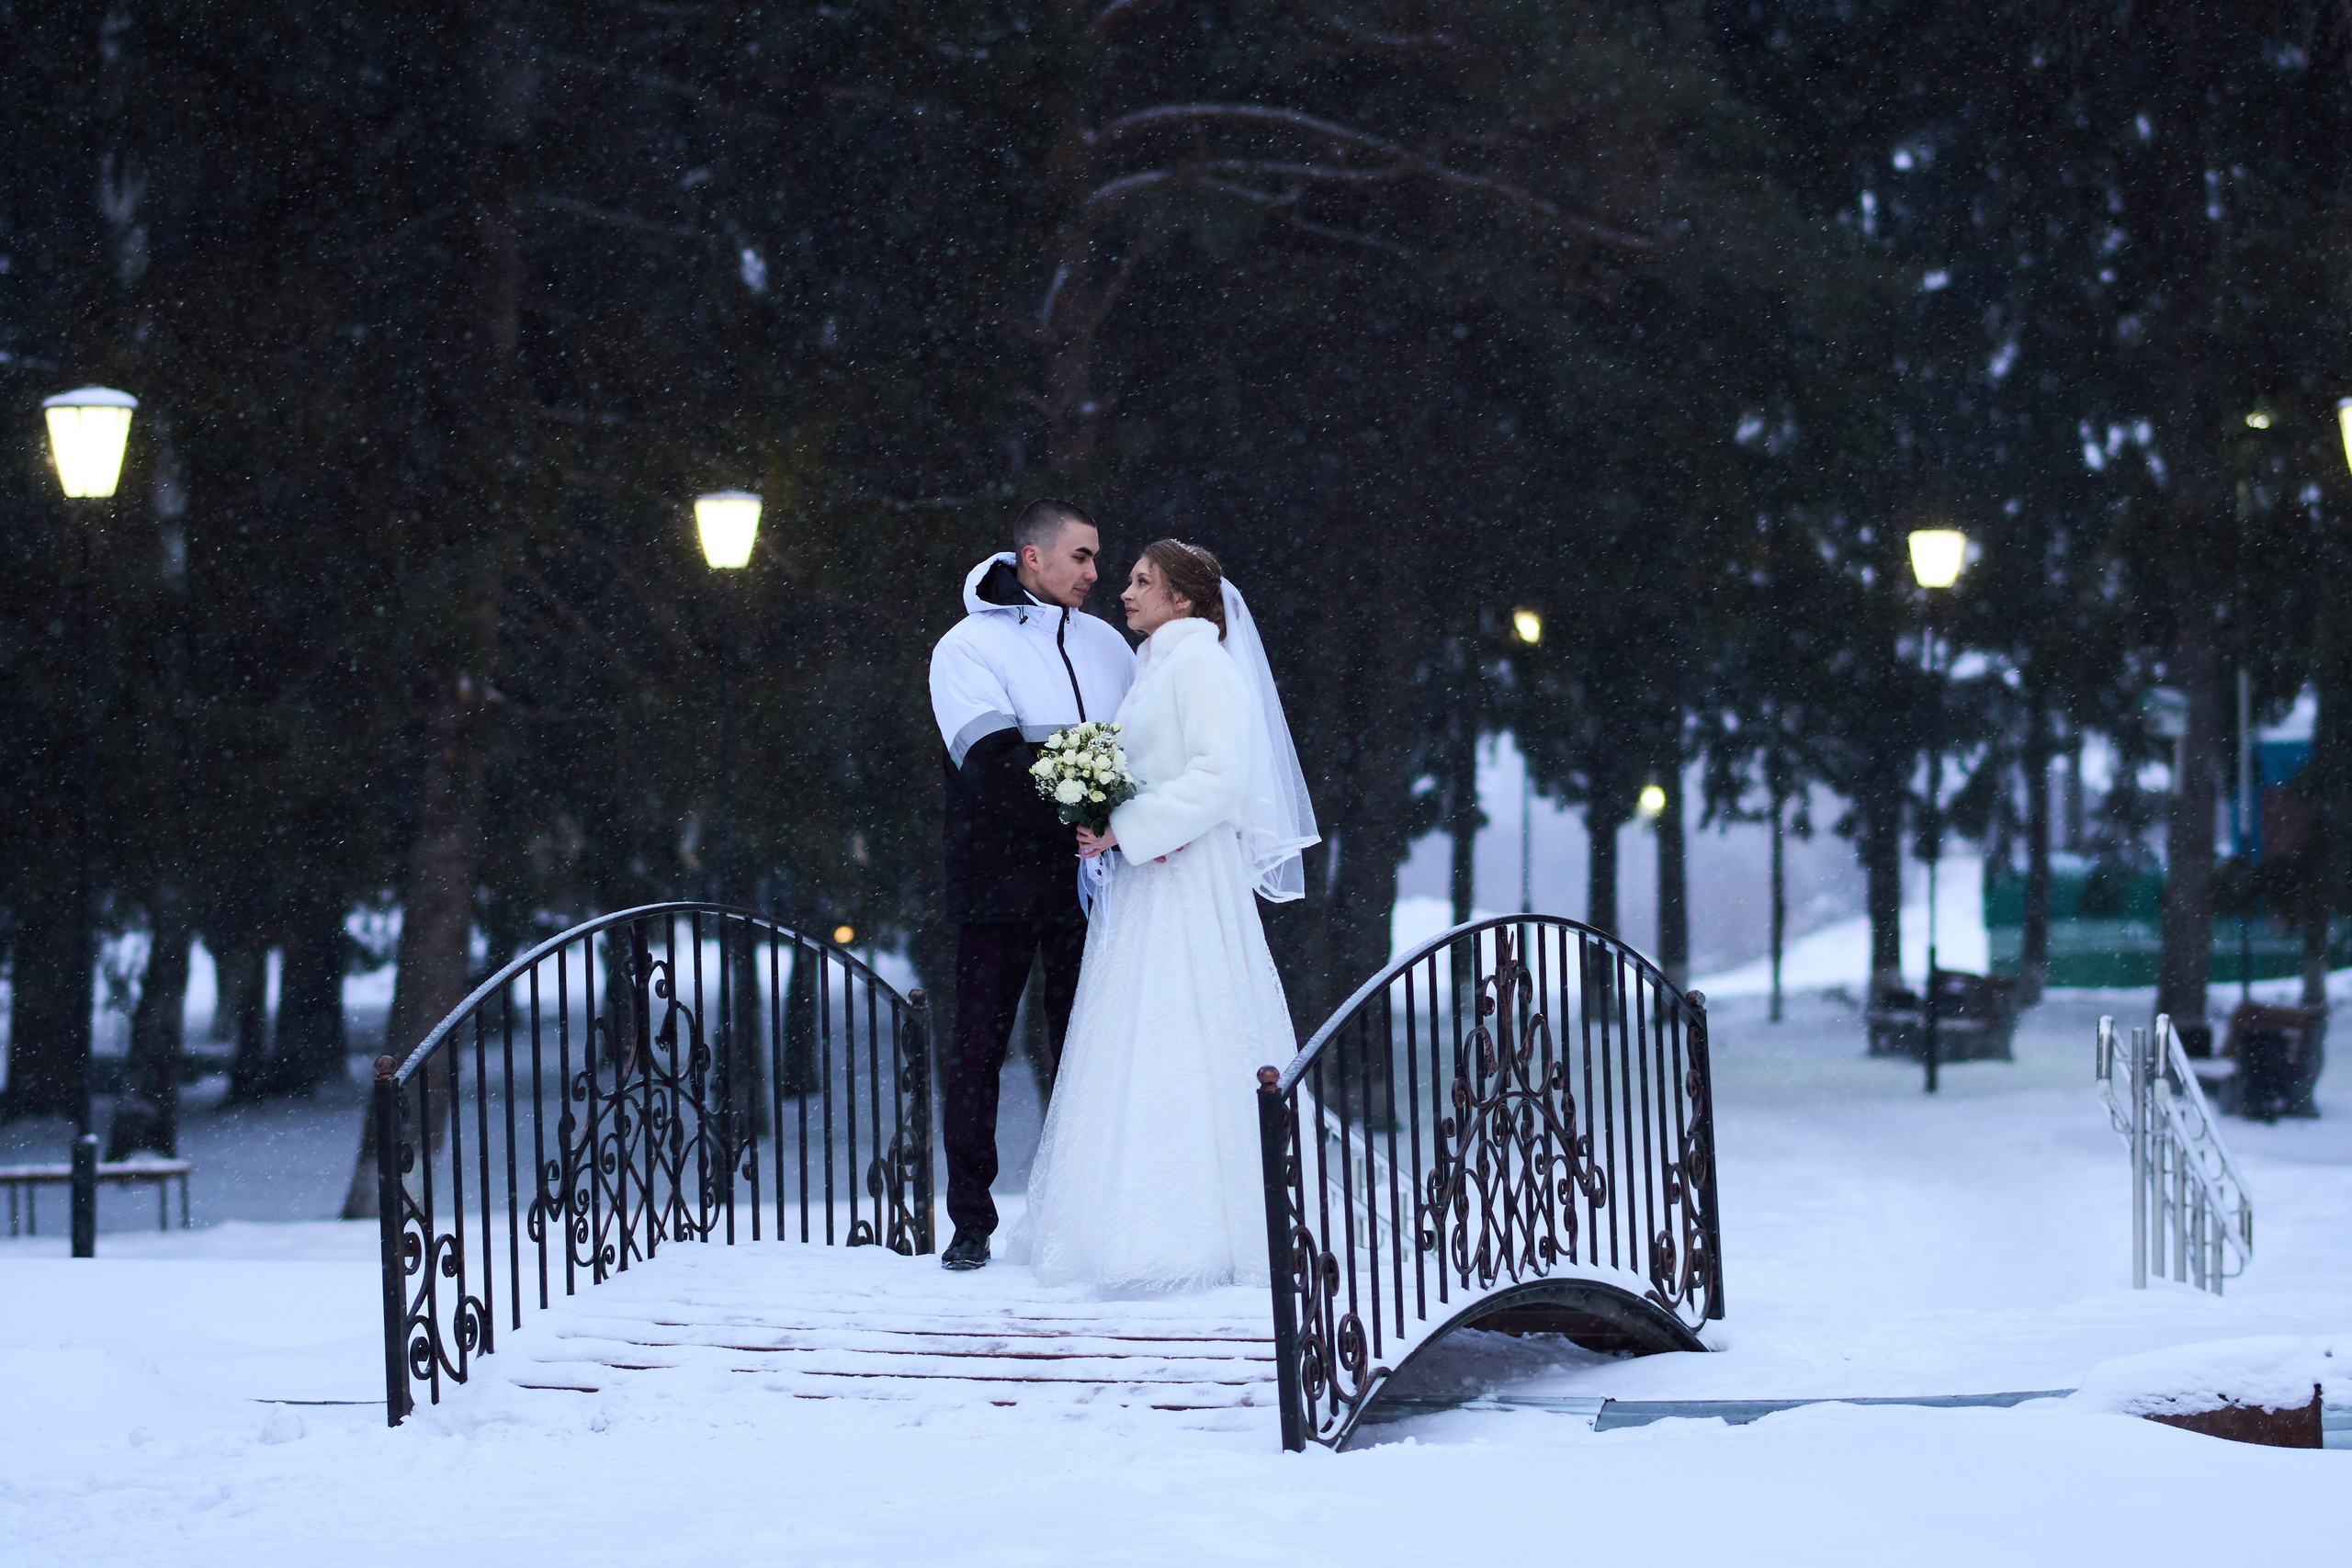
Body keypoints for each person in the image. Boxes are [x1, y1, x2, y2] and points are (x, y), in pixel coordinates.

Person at [1007, 539, 1318, 1292]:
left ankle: (1194, 1229)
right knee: (1138, 1030)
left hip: (1186, 875)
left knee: (1189, 1024)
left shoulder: (1202, 663)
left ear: (1184, 600)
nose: (1124, 592)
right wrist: (1106, 814)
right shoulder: (1160, 664)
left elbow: (1219, 776)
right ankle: (1116, 1217)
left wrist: (1129, 824)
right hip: (1152, 875)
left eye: (1143, 581)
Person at [929, 500, 1135, 1271]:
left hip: (1103, 880)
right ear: (1032, 558)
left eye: (1096, 556)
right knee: (980, 1046)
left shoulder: (1111, 646)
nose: (1094, 572)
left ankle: (1079, 1212)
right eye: (1080, 556)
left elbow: (1141, 748)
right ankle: (971, 1221)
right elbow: (988, 766)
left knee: (1092, 1047)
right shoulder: (966, 647)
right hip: (1000, 880)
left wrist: (1116, 828)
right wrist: (1083, 816)